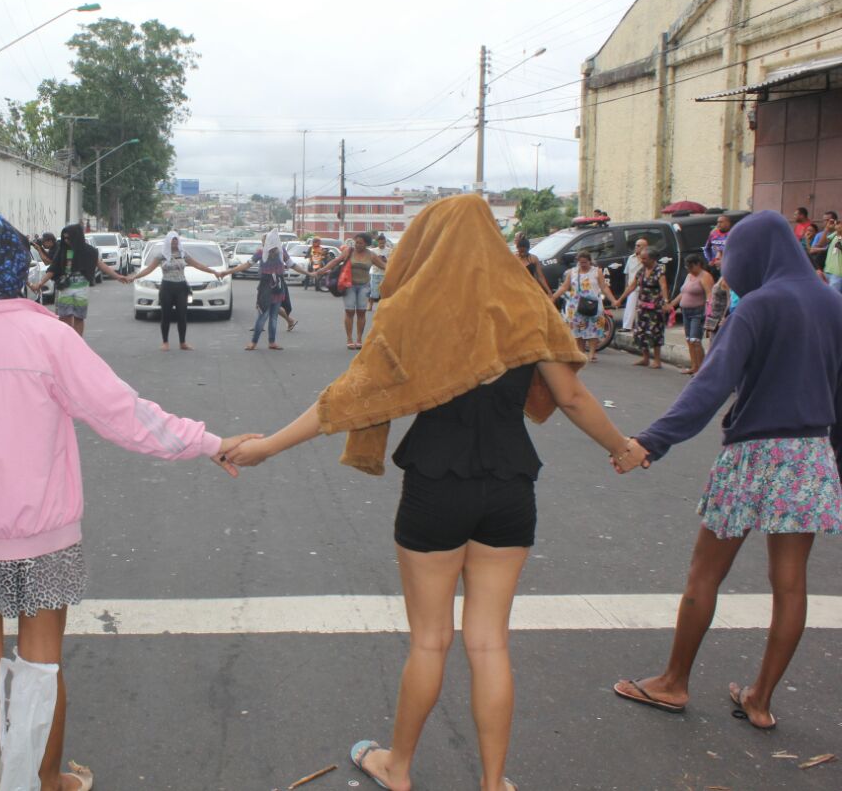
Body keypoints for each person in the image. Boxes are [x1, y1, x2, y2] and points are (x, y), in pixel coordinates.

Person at [226, 194, 636, 791]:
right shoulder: (524, 300)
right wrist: (622, 448)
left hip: (436, 485)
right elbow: (571, 398)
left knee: (430, 640)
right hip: (510, 484)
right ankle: (494, 783)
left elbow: (344, 398)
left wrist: (265, 447)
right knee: (491, 643)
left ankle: (398, 766)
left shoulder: (412, 308)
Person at [0, 213, 255, 791]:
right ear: (19, 266)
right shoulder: (48, 335)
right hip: (43, 533)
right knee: (42, 660)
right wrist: (207, 443)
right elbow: (122, 412)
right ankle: (47, 778)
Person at [612, 210, 842, 731]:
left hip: (754, 454)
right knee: (791, 585)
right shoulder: (835, 303)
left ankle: (673, 682)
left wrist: (651, 441)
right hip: (811, 456)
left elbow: (709, 386)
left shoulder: (758, 308)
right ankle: (759, 699)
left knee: (706, 573)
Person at [128, 231, 219, 351]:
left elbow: (199, 265)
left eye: (176, 240)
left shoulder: (183, 254)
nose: (174, 243)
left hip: (181, 287)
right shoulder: (162, 256)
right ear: (168, 242)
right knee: (166, 316)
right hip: (167, 287)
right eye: (172, 241)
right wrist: (134, 277)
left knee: (182, 315)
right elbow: (149, 269)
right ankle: (165, 342)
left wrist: (214, 272)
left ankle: (183, 342)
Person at [33, 224, 127, 337]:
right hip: (65, 289)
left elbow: (101, 265)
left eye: (69, 238)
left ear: (76, 237)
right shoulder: (63, 250)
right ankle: (66, 341)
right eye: (65, 238)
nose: (66, 240)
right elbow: (53, 269)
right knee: (64, 317)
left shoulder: (89, 251)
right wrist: (40, 283)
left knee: (79, 317)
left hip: (82, 290)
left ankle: (78, 342)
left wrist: (117, 276)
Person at [219, 230, 306, 351]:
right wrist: (309, 273)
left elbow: (246, 265)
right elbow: (293, 265)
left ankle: (256, 343)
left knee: (263, 316)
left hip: (267, 286)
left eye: (264, 241)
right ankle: (270, 342)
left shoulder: (263, 252)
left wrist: (227, 272)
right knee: (272, 316)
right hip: (278, 287)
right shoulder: (281, 252)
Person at [312, 232, 388, 349]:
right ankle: (349, 339)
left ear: (366, 244)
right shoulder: (349, 251)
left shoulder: (371, 255)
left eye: (360, 243)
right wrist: (321, 270)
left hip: (364, 286)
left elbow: (384, 267)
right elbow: (335, 261)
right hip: (349, 285)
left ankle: (358, 339)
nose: (357, 245)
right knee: (349, 312)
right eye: (356, 242)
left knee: (361, 313)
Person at [551, 251, 614, 362]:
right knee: (577, 329)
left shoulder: (597, 272)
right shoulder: (572, 272)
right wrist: (553, 297)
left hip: (593, 304)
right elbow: (564, 287)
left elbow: (604, 287)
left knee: (594, 329)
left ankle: (592, 353)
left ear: (590, 261)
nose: (582, 264)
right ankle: (581, 352)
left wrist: (614, 300)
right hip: (575, 305)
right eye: (580, 263)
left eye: (585, 262)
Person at [615, 248, 672, 369]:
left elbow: (663, 286)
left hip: (655, 308)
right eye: (641, 258)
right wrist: (620, 299)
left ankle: (657, 360)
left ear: (652, 259)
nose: (642, 260)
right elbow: (631, 286)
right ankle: (645, 358)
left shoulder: (659, 270)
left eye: (644, 258)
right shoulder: (642, 270)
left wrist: (666, 301)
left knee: (655, 333)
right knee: (641, 332)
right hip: (643, 307)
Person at [668, 254, 714, 375]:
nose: (689, 270)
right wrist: (672, 304)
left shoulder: (705, 277)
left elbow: (710, 295)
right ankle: (695, 366)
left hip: (698, 312)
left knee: (696, 340)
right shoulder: (689, 276)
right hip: (686, 312)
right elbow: (683, 293)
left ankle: (702, 369)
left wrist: (709, 314)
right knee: (689, 340)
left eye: (691, 267)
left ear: (698, 265)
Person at [621, 237, 648, 330]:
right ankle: (626, 326)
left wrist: (642, 259)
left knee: (644, 308)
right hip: (632, 286)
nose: (636, 247)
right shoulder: (631, 258)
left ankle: (643, 326)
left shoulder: (647, 258)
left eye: (639, 246)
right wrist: (626, 287)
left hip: (644, 286)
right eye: (636, 245)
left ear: (645, 247)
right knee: (630, 306)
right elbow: (627, 273)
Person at [368, 233, 392, 311]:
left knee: (384, 292)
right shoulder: (373, 251)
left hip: (384, 274)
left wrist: (386, 260)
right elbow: (370, 260)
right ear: (377, 242)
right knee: (373, 291)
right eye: (380, 243)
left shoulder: (389, 251)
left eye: (383, 243)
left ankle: (382, 307)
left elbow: (392, 261)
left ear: (385, 242)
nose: (382, 244)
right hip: (374, 273)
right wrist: (377, 259)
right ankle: (370, 306)